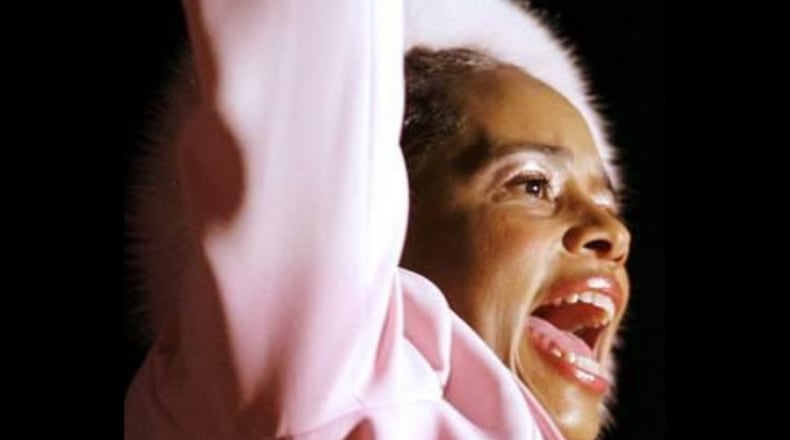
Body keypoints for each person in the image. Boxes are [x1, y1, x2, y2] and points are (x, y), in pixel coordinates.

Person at [125, 0, 631, 439]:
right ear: (382, 218)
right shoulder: (318, 380)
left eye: (609, 207)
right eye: (533, 185)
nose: (614, 235)